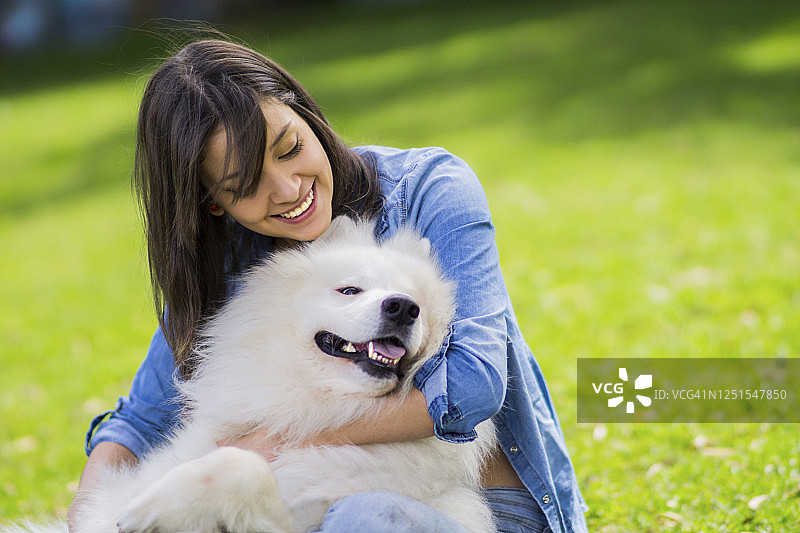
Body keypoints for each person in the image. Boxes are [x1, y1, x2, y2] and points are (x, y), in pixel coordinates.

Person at [68, 39, 588, 533]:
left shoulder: (430, 187)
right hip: (293, 504)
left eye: (290, 148)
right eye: (244, 185)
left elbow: (474, 385)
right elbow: (136, 421)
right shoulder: (232, 262)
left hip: (471, 508)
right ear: (214, 203)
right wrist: (88, 519)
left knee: (361, 520)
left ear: (308, 117)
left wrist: (270, 445)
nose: (288, 189)